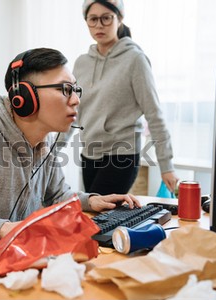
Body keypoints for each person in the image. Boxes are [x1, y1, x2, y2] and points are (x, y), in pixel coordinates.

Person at [0, 48, 141, 268]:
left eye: (75, 90)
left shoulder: (46, 140)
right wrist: (4, 229)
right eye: (64, 89)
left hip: (7, 252)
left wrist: (90, 201)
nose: (75, 100)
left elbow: (57, 195)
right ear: (24, 97)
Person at [73, 0, 179, 195]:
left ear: (119, 18)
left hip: (122, 155)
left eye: (106, 18)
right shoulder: (81, 63)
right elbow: (72, 110)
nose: (99, 25)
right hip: (89, 154)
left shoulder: (135, 59)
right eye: (93, 19)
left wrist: (167, 166)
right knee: (97, 217)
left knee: (98, 214)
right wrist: (51, 149)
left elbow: (154, 113)